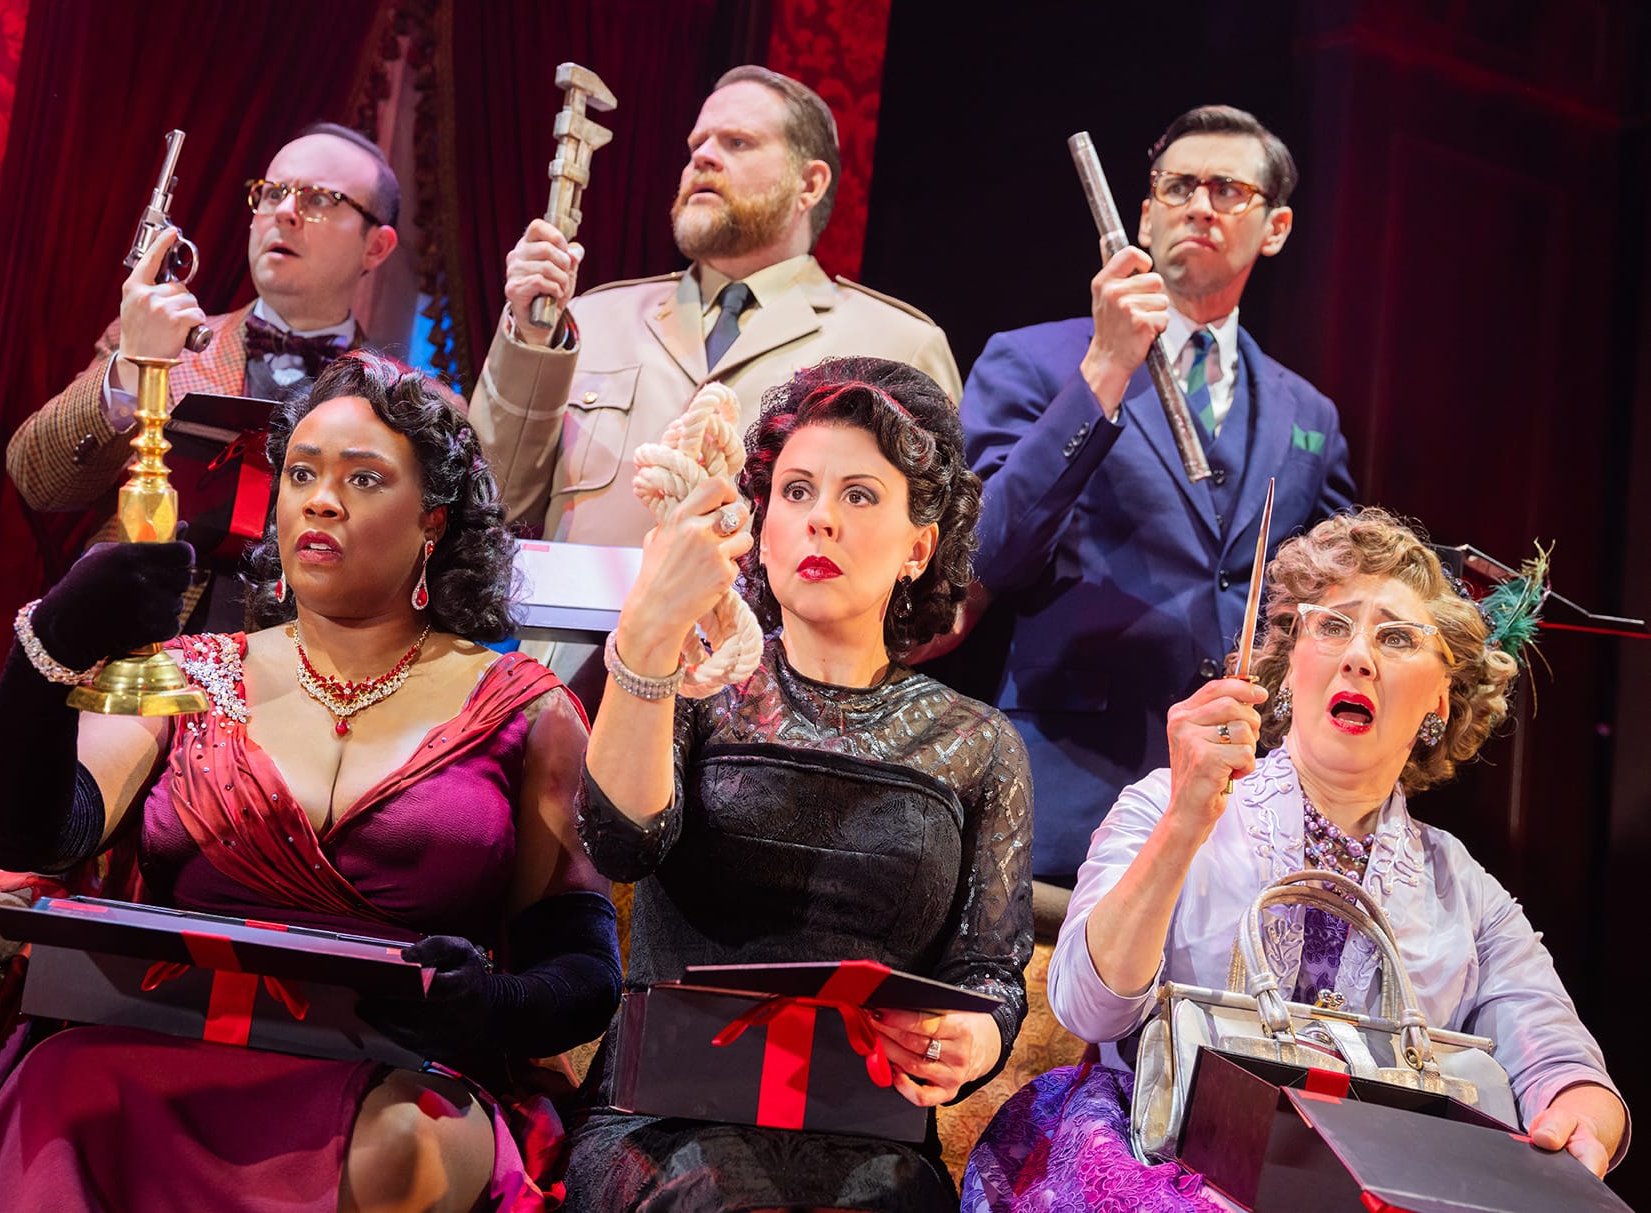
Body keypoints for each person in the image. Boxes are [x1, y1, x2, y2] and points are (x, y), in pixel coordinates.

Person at [0, 352, 620, 1212]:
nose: (318, 498)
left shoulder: (526, 710)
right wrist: (46, 650)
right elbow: (32, 833)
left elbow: (584, 967)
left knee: (405, 1149)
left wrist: (492, 1003)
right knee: (59, 1087)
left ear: (433, 518)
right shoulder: (190, 675)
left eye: (363, 477)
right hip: (162, 1046)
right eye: (302, 472)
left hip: (398, 1077)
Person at [964, 509, 1628, 1212]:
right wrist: (1185, 822)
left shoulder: (1463, 889)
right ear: (1286, 667)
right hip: (1167, 1170)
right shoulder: (1164, 804)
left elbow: (1556, 1055)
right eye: (1333, 625)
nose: (1359, 655)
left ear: (1441, 695)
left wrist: (1579, 1118)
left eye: (1397, 636)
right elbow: (1087, 1006)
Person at [562, 357, 1033, 1211]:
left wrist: (979, 1037)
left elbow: (991, 973)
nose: (821, 520)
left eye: (859, 496)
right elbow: (620, 840)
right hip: (664, 1125)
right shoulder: (698, 686)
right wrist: (650, 634)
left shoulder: (977, 743)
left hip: (871, 1143)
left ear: (919, 547)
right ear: (760, 526)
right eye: (796, 491)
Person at [957, 105, 1356, 892]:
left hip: (1238, 813)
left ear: (1274, 227)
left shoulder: (1308, 414)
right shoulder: (1034, 360)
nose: (1199, 204)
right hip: (1065, 799)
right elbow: (988, 550)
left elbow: (1329, 594)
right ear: (1143, 211)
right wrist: (1105, 366)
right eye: (1178, 186)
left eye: (1227, 189)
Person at [469, 65, 962, 549]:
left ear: (809, 185)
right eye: (695, 145)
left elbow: (929, 567)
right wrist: (532, 341)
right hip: (578, 632)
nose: (702, 157)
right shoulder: (588, 321)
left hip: (760, 632)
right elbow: (495, 503)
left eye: (737, 142)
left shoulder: (899, 346)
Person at [7, 123, 401, 630]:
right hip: (146, 649)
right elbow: (38, 480)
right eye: (273, 192)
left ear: (377, 247)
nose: (285, 211)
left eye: (321, 198)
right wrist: (132, 362)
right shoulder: (161, 343)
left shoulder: (399, 398)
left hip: (321, 667)